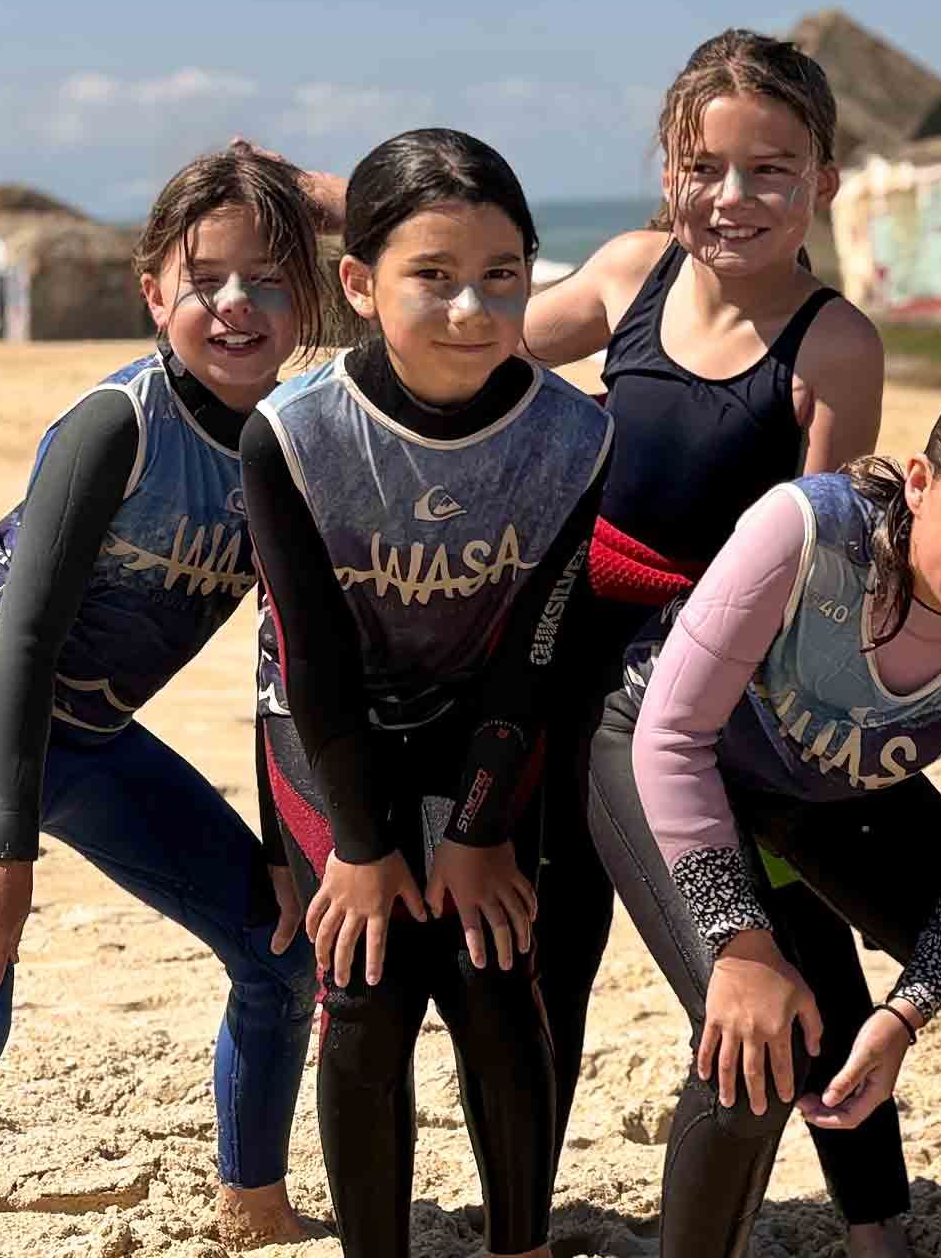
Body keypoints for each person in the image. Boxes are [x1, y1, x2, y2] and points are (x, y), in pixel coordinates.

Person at [518, 29, 910, 1255]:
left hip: (724, 699)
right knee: (552, 955)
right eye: (703, 165)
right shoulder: (632, 272)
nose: (730, 197)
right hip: (575, 671)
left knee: (805, 953)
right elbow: (471, 355)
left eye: (769, 171)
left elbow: (819, 556)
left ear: (824, 185)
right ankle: (520, 1222)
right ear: (667, 169)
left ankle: (878, 1221)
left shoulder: (832, 342)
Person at [590, 361, 941, 1257]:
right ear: (919, 483)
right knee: (753, 1050)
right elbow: (673, 735)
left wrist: (906, 1011)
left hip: (827, 788)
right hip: (666, 753)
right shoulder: (807, 531)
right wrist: (744, 947)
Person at [0, 146, 326, 1256]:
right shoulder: (121, 423)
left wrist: (280, 836)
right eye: (205, 278)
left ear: (310, 301)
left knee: (278, 945)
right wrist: (4, 855)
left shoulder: (289, 445)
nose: (236, 303)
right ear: (153, 290)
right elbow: (21, 640)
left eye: (268, 279)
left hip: (95, 736)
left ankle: (251, 1202)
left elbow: (282, 667)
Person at [246, 128, 609, 1258]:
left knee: (495, 968)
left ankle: (519, 1243)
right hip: (327, 726)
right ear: (358, 284)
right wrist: (360, 843)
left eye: (503, 276)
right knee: (364, 981)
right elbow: (312, 657)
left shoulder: (572, 434)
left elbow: (534, 653)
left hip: (481, 725)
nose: (472, 310)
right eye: (433, 277)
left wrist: (483, 827)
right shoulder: (296, 434)